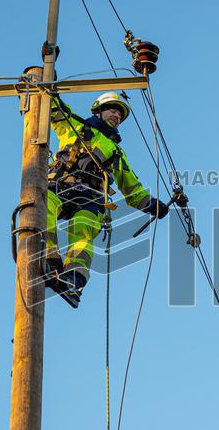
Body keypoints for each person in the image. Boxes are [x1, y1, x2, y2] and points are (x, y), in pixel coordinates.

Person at [44, 90, 168, 307]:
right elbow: (54, 109)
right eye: (113, 110)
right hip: (61, 185)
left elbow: (131, 187)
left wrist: (151, 204)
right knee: (43, 206)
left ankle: (73, 278)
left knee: (83, 230)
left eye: (120, 116)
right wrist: (44, 85)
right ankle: (49, 259)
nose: (117, 117)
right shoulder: (74, 125)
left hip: (90, 197)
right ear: (98, 110)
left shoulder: (116, 152)